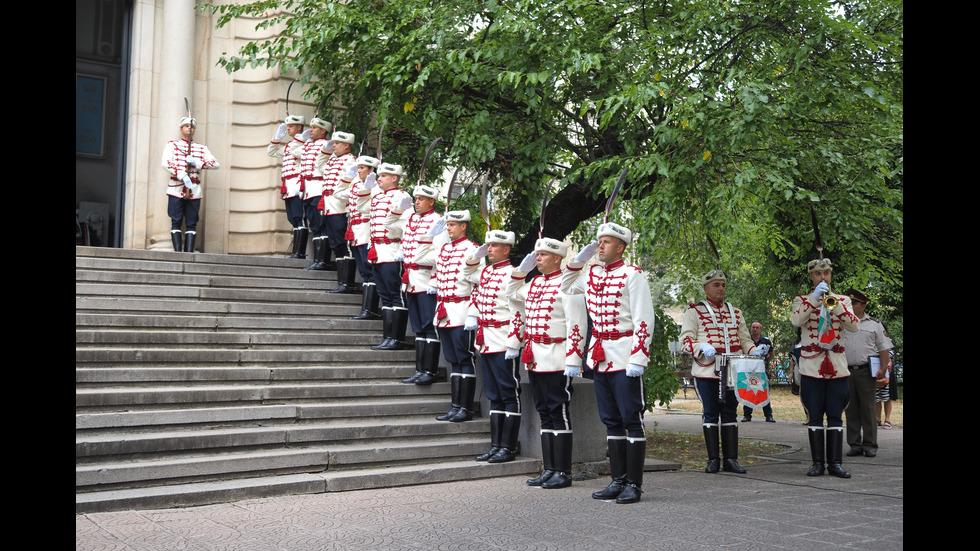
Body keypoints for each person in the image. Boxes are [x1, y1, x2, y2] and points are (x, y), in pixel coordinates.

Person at [561, 222, 654, 504]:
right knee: (611, 421)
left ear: (621, 247)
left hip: (625, 355)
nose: (600, 246)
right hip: (600, 355)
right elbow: (566, 285)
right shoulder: (591, 274)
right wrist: (578, 259)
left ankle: (634, 485)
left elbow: (644, 318)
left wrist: (639, 356)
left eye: (607, 242)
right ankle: (617, 480)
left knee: (632, 421)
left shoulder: (633, 275)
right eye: (599, 241)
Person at [507, 238, 587, 489]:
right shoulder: (533, 283)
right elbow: (510, 293)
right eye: (537, 255)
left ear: (557, 258)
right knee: (544, 412)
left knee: (558, 411)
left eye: (542, 255)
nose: (538, 259)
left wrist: (574, 358)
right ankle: (549, 468)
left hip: (557, 355)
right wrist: (521, 271)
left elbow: (577, 324)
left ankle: (563, 472)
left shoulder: (568, 285)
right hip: (535, 356)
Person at [679, 270, 766, 474]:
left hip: (732, 371)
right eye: (716, 285)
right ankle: (712, 460)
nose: (721, 289)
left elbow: (744, 339)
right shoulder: (695, 312)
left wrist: (755, 350)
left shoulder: (735, 312)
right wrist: (701, 347)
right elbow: (685, 341)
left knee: (729, 414)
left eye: (723, 285)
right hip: (707, 371)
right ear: (706, 288)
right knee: (710, 414)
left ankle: (731, 459)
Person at [790, 258, 860, 478]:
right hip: (812, 366)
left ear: (831, 275)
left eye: (826, 274)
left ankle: (836, 464)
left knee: (836, 416)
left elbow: (854, 325)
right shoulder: (801, 300)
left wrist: (833, 303)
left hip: (837, 366)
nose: (823, 277)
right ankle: (817, 463)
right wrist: (814, 299)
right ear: (811, 276)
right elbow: (796, 320)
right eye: (818, 274)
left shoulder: (843, 300)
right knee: (814, 416)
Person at [467, 230, 522, 463]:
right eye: (488, 246)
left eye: (494, 246)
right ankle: (496, 445)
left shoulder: (514, 274)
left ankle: (508, 447)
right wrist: (475, 254)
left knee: (509, 393)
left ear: (506, 249)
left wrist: (513, 342)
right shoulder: (486, 271)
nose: (489, 250)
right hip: (486, 339)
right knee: (493, 395)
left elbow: (519, 312)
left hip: (503, 339)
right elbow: (467, 271)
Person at [430, 211, 483, 421]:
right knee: (453, 360)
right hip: (444, 312)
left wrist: (473, 314)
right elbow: (420, 255)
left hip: (462, 311)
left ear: (464, 226)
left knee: (464, 358)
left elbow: (478, 285)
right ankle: (455, 406)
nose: (449, 228)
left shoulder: (473, 250)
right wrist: (429, 237)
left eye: (453, 224)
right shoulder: (443, 250)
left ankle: (466, 408)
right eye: (448, 224)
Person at [398, 184, 447, 384]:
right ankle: (420, 369)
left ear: (431, 202)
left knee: (428, 326)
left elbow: (439, 255)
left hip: (427, 280)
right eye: (415, 198)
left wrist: (433, 280)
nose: (416, 202)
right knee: (418, 327)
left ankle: (430, 370)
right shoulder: (412, 219)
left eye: (421, 199)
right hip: (410, 279)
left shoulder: (438, 222)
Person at [842, 288, 894, 458]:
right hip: (846, 370)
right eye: (849, 303)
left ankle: (870, 445)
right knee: (850, 409)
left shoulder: (874, 324)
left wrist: (884, 369)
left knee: (868, 408)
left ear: (863, 305)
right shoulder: (842, 323)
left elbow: (883, 348)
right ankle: (855, 444)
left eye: (854, 303)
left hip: (866, 371)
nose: (850, 306)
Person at [366, 163, 413, 350]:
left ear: (394, 178)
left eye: (384, 176)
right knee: (384, 296)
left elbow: (406, 225)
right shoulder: (377, 197)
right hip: (377, 252)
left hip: (392, 250)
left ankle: (397, 338)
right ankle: (388, 337)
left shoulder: (402, 197)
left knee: (396, 296)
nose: (379, 179)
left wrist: (403, 249)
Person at [162, 116, 219, 252]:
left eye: (192, 126)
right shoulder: (172, 145)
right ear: (181, 129)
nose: (189, 128)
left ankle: (188, 252)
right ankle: (177, 252)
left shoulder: (201, 148)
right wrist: (182, 175)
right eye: (187, 126)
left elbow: (215, 164)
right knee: (175, 220)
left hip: (194, 189)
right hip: (176, 188)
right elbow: (166, 162)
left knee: (192, 222)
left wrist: (196, 162)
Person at [319, 131, 358, 291]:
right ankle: (341, 282)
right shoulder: (332, 160)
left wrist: (341, 197)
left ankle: (347, 283)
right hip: (329, 207)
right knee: (335, 244)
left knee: (343, 245)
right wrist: (324, 151)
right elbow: (318, 166)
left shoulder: (351, 161)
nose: (333, 145)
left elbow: (355, 186)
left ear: (346, 145)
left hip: (341, 208)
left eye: (336, 143)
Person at [346, 155, 382, 319]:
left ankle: (371, 309)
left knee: (369, 271)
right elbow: (339, 194)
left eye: (362, 168)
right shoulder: (355, 184)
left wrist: (369, 189)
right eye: (358, 168)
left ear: (371, 170)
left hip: (367, 231)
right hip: (355, 230)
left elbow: (370, 210)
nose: (358, 171)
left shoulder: (377, 188)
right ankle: (366, 309)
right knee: (364, 271)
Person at [267, 114, 307, 258]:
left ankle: (300, 252)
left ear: (299, 128)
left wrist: (299, 140)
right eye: (287, 126)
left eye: (291, 126)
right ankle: (295, 251)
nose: (288, 129)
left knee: (299, 217)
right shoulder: (290, 145)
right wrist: (277, 138)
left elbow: (298, 153)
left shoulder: (305, 144)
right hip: (288, 186)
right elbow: (271, 152)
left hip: (297, 184)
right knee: (293, 218)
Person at [298, 117, 333, 270]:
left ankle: (323, 260)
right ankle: (317, 260)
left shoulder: (327, 145)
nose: (310, 130)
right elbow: (293, 150)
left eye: (314, 127)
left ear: (323, 130)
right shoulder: (307, 146)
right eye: (310, 127)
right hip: (307, 189)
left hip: (319, 187)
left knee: (321, 224)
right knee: (315, 225)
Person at [742, 322, 776, 422]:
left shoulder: (766, 341)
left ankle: (768, 416)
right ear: (750, 329)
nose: (755, 329)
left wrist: (764, 362)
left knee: (764, 391)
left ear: (761, 329)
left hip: (762, 370)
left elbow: (772, 354)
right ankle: (747, 415)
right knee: (748, 392)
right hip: (748, 369)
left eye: (757, 327)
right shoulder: (746, 341)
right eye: (753, 327)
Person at [876, 349, 896, 429]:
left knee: (887, 397)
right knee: (876, 397)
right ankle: (877, 419)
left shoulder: (888, 341)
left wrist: (877, 355)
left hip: (887, 371)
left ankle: (887, 419)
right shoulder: (872, 341)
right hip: (875, 370)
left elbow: (889, 354)